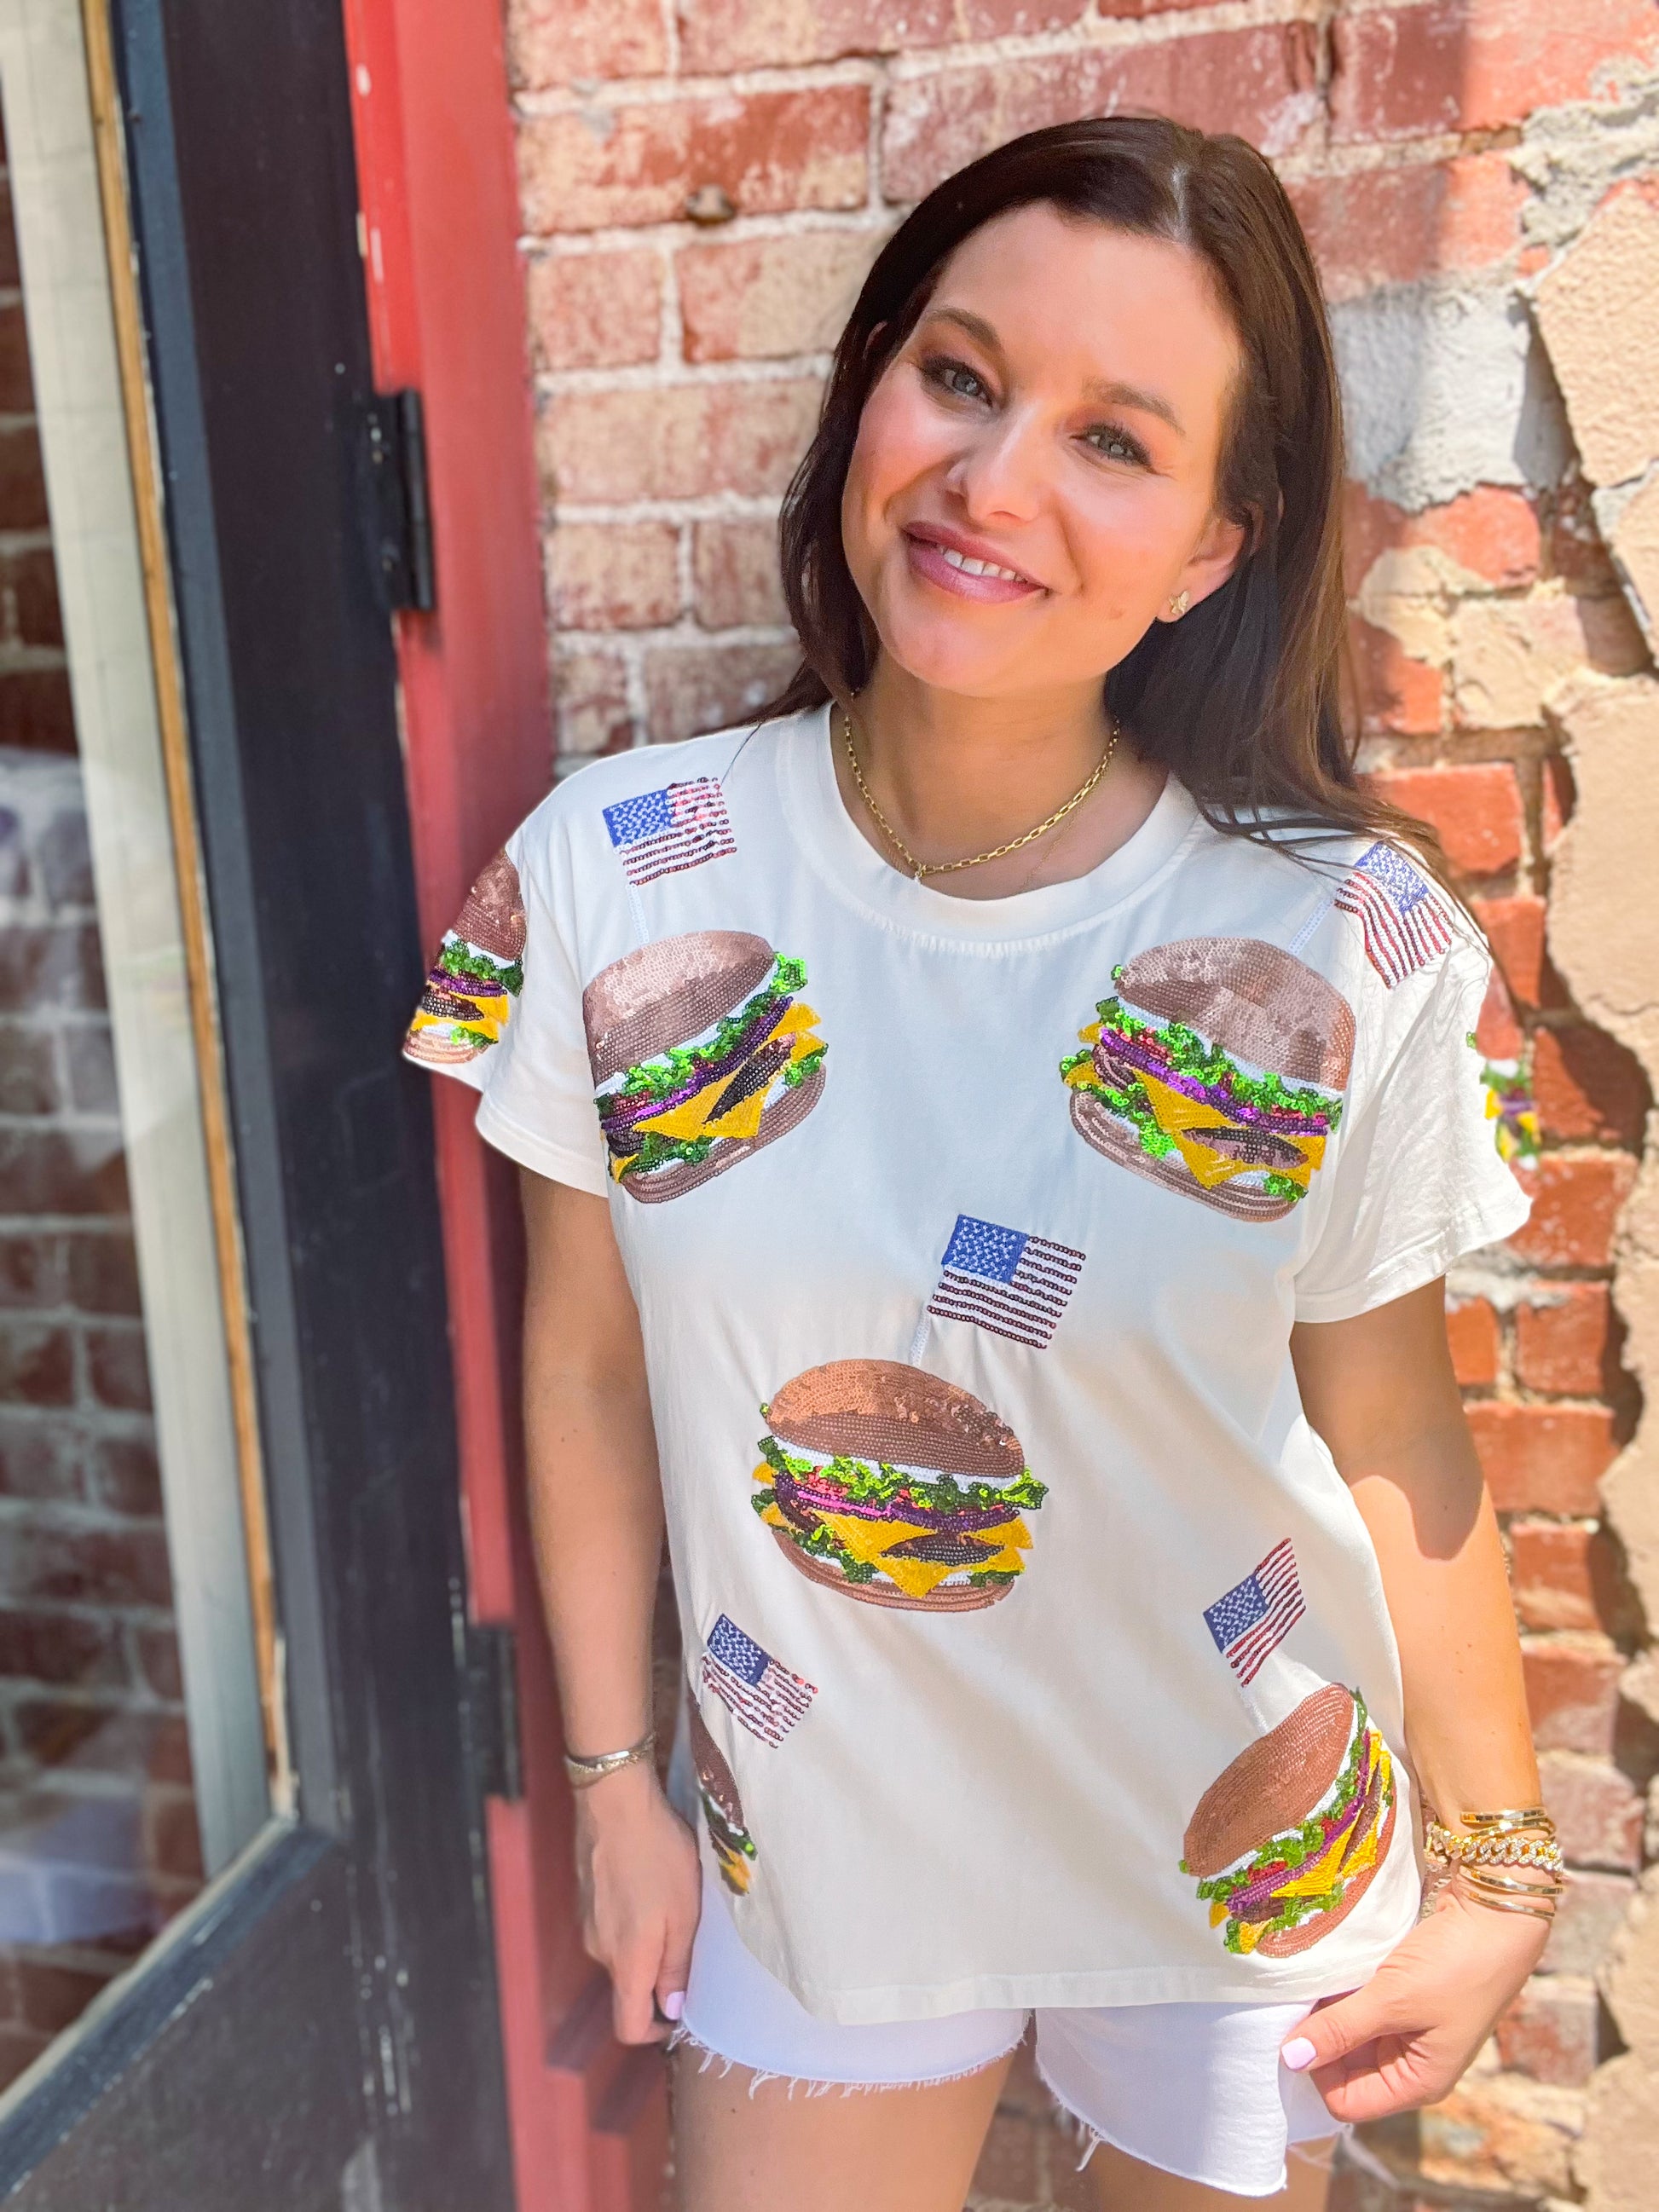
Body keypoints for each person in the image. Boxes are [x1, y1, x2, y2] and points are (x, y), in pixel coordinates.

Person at [405, 116, 1561, 2211]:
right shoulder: (611, 874)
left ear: (1218, 541)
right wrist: (607, 1777)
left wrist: (1492, 1868)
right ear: (870, 389)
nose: (993, 481)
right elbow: (586, 1361)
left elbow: (1388, 1413)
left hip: (1233, 1828)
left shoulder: (1344, 939)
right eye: (958, 375)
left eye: (1116, 439)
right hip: (814, 1822)